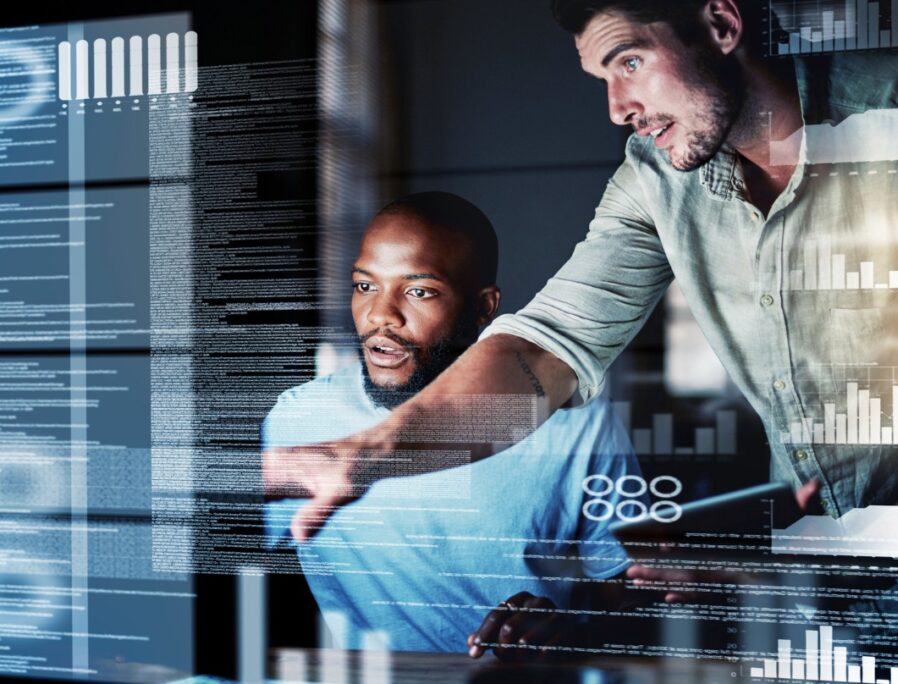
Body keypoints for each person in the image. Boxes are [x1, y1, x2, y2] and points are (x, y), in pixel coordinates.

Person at [265, 0, 898, 587]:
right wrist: (366, 456)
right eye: (603, 77)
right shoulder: (654, 176)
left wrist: (847, 556)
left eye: (629, 61)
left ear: (720, 24)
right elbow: (541, 355)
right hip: (817, 599)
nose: (617, 106)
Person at [263, 191, 643, 655]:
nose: (380, 315)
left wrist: (569, 633)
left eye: (419, 291)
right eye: (364, 286)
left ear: (484, 307)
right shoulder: (299, 418)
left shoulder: (577, 424)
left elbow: (634, 599)